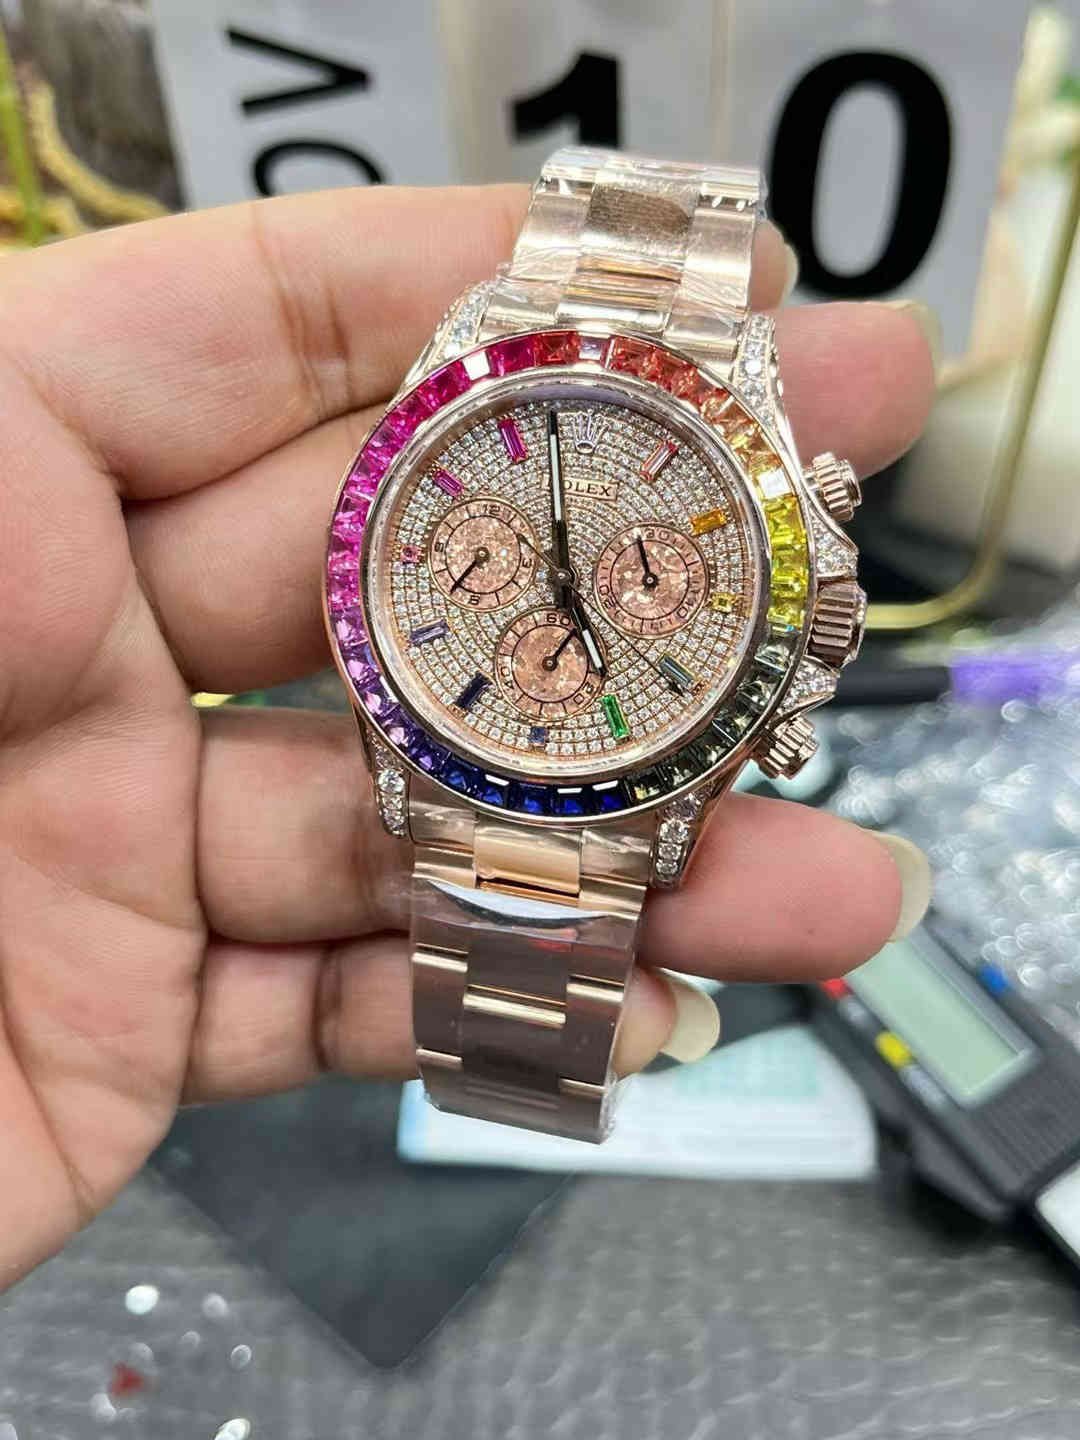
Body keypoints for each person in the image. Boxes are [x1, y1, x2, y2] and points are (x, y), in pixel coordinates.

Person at [0, 182, 936, 1291]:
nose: (564, 586)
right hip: (449, 754)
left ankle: (510, 1083)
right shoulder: (427, 490)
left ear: (812, 622)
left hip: (592, 771)